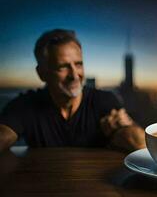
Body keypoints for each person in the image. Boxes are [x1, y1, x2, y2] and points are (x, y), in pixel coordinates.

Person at [0, 29, 146, 152]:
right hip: (43, 184)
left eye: (78, 64)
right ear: (42, 73)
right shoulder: (26, 105)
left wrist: (123, 128)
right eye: (63, 67)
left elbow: (141, 144)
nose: (75, 75)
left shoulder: (104, 100)